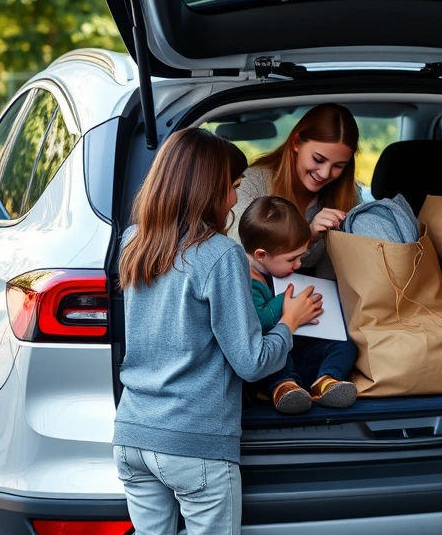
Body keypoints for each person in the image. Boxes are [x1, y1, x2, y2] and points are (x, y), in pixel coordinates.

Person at [114, 127, 323, 535]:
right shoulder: (220, 253)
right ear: (209, 190)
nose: (233, 199)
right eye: (233, 186)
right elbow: (251, 362)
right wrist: (289, 323)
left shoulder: (133, 240)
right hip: (195, 444)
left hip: (132, 435)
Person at [238, 195, 359, 415]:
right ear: (261, 255)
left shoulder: (272, 267)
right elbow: (262, 320)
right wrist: (287, 304)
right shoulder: (248, 279)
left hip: (297, 349)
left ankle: (326, 382)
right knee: (276, 356)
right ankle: (284, 388)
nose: (299, 264)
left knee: (346, 345)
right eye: (292, 259)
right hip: (272, 358)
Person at [228, 103, 360, 280]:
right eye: (318, 159)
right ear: (296, 142)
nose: (325, 173)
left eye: (338, 166)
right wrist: (308, 235)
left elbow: (339, 273)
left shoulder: (348, 196)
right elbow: (241, 244)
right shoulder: (253, 182)